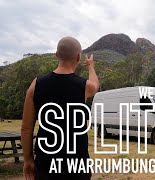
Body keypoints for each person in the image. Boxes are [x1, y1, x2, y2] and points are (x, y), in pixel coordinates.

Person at [21, 36, 99, 180]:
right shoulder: (84, 86)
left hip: (45, 164)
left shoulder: (36, 85)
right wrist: (90, 66)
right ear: (78, 57)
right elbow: (95, 84)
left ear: (56, 55)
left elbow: (26, 129)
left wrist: (28, 160)